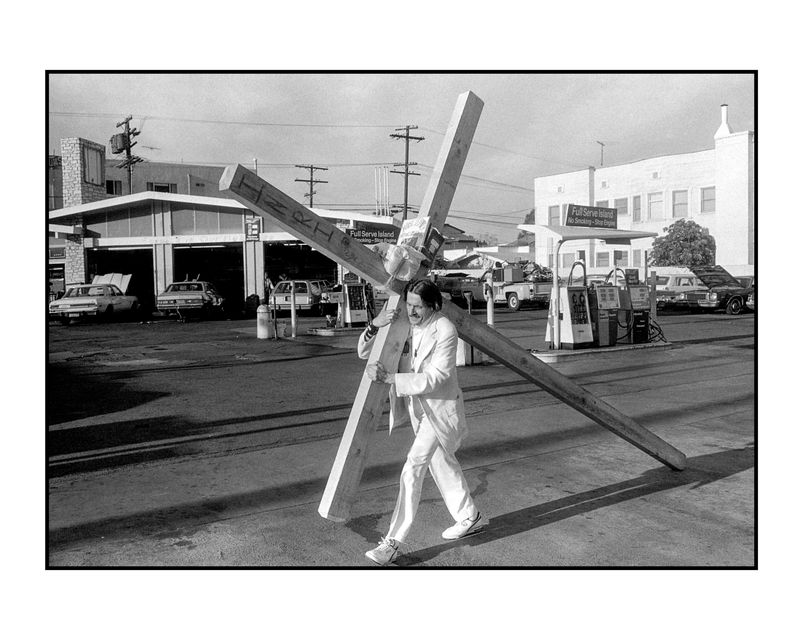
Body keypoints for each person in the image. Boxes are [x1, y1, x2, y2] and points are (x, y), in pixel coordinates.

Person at [358, 279, 487, 566]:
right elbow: (364, 352)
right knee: (442, 463)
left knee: (413, 466)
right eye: (410, 304)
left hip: (439, 409)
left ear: (433, 305)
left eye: (418, 306)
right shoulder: (402, 321)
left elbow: (438, 377)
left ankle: (393, 541)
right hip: (417, 410)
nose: (412, 311)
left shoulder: (445, 330)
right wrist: (375, 324)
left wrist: (392, 379)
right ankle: (470, 516)